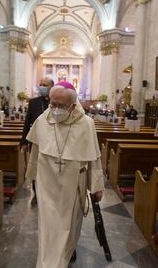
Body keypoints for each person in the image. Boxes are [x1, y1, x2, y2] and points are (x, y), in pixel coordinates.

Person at [25, 81, 104, 267]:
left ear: (73, 104)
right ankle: (48, 262)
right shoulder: (42, 120)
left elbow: (94, 158)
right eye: (52, 104)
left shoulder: (86, 124)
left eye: (61, 105)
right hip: (47, 183)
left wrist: (97, 186)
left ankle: (64, 255)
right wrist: (32, 176)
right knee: (48, 225)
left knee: (69, 225)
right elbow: (35, 151)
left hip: (73, 184)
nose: (55, 109)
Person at [21, 77, 54, 205]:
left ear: (52, 86)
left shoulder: (56, 101)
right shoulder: (34, 102)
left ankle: (48, 194)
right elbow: (27, 122)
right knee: (35, 168)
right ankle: (35, 194)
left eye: (44, 85)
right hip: (35, 141)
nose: (41, 87)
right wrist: (24, 141)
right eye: (40, 84)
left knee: (49, 169)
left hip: (52, 142)